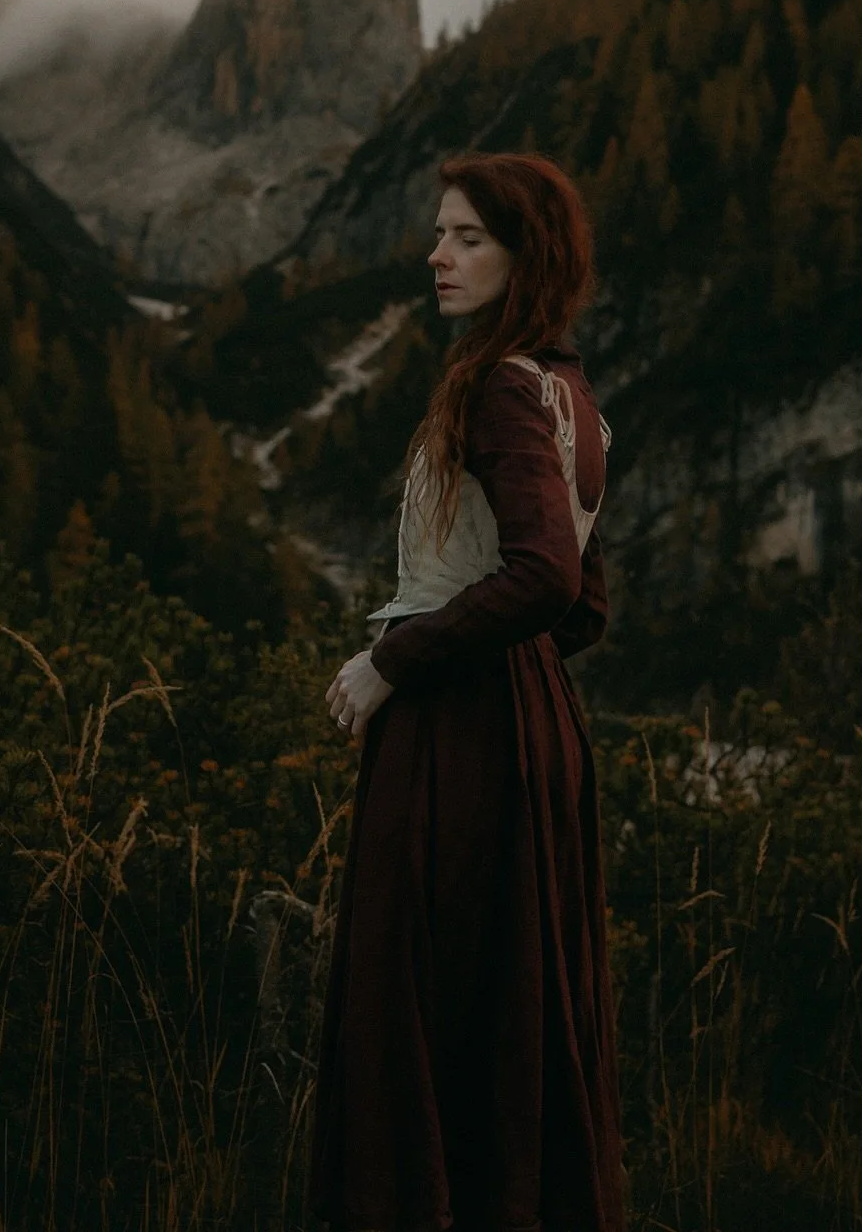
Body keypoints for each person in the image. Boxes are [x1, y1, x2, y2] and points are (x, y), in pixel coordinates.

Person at [309, 152, 626, 1232]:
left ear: (526, 255)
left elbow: (546, 576)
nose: (437, 255)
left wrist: (396, 660)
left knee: (421, 1001)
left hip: (459, 737)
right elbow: (583, 608)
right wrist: (516, 682)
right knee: (514, 1000)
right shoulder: (569, 391)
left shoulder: (499, 384)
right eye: (439, 233)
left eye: (468, 238)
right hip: (528, 730)